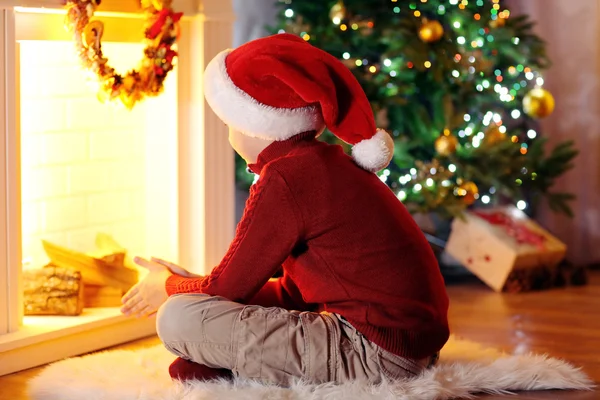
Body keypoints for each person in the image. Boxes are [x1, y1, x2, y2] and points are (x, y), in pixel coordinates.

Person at [121, 33, 449, 386]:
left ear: (256, 124)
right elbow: (293, 295)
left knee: (176, 318)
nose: (229, 135)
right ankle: (231, 366)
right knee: (195, 310)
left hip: (376, 355)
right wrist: (194, 286)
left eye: (229, 123)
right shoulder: (319, 164)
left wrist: (170, 287)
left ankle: (229, 367)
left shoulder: (287, 176)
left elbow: (227, 288)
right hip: (410, 350)